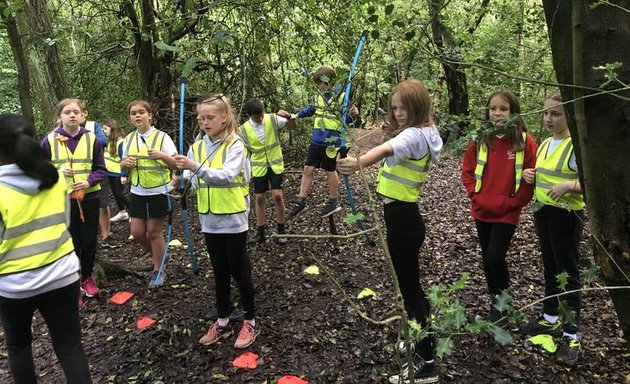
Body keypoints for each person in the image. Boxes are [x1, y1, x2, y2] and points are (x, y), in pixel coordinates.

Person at [338, 79, 443, 384]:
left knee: (410, 290)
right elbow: (393, 141)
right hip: (403, 219)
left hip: (403, 222)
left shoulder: (413, 135)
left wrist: (358, 162)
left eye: (404, 107)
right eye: (394, 107)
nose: (398, 112)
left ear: (418, 106)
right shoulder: (424, 132)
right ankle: (421, 339)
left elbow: (388, 148)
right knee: (411, 288)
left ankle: (427, 362)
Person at [0, 113, 92, 383]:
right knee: (70, 348)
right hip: (62, 276)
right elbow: (64, 223)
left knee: (18, 348)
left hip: (14, 286)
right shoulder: (53, 179)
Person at [174, 93, 259, 349]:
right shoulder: (197, 146)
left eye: (210, 117)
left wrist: (192, 166)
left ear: (224, 117)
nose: (204, 122)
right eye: (201, 118)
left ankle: (250, 321)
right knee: (219, 271)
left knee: (238, 269)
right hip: (209, 219)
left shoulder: (236, 145)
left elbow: (225, 175)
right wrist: (181, 182)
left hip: (233, 217)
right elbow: (197, 180)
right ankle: (222, 320)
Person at [521, 92, 585, 366]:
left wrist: (569, 186)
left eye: (555, 114)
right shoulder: (546, 143)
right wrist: (530, 175)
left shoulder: (576, 147)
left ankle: (572, 335)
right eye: (546, 113)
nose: (548, 118)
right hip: (544, 212)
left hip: (567, 216)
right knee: (550, 267)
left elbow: (591, 183)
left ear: (569, 116)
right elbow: (543, 174)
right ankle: (549, 320)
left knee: (568, 274)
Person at [461, 90, 537, 321]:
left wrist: (515, 203)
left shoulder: (525, 141)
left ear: (513, 112)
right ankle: (496, 302)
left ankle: (504, 301)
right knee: (487, 258)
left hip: (507, 212)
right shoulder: (479, 138)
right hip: (482, 209)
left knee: (495, 257)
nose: (497, 113)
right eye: (493, 109)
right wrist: (476, 196)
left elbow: (531, 176)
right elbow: (467, 171)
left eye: (503, 109)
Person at [41, 98, 107, 299]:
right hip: (62, 200)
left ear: (82, 115)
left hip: (89, 198)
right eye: (67, 112)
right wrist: (58, 172)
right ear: (59, 117)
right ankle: (71, 283)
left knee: (88, 241)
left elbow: (101, 169)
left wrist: (88, 182)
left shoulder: (92, 139)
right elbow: (40, 170)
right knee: (70, 241)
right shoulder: (49, 140)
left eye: (76, 112)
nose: (72, 115)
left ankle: (86, 278)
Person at [278, 65, 359, 219]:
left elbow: (346, 119)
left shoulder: (341, 97)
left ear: (327, 81)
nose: (317, 86)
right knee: (308, 169)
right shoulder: (319, 96)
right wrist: (297, 115)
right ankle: (301, 201)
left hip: (331, 141)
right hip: (316, 140)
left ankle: (333, 201)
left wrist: (353, 115)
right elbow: (311, 109)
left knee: (330, 170)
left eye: (319, 83)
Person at [120, 100, 178, 288]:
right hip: (137, 191)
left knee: (153, 232)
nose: (137, 116)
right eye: (133, 113)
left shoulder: (162, 138)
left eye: (141, 112)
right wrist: (125, 164)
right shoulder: (128, 139)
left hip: (159, 191)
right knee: (137, 232)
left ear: (150, 115)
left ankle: (159, 270)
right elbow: (122, 164)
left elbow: (176, 163)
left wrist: (161, 156)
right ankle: (160, 256)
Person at [239, 97, 295, 244]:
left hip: (275, 164)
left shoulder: (272, 118)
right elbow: (241, 150)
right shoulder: (243, 130)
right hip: (258, 166)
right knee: (259, 198)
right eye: (257, 116)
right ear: (250, 115)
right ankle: (260, 231)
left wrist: (289, 116)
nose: (261, 118)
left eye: (261, 114)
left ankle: (281, 230)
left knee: (277, 195)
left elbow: (292, 125)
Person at [103, 119, 131, 223]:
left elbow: (124, 159)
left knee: (120, 193)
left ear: (112, 128)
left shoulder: (121, 142)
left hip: (118, 172)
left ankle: (133, 212)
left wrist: (123, 175)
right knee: (115, 193)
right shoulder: (109, 140)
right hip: (110, 172)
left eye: (105, 128)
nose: (104, 131)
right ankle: (122, 212)